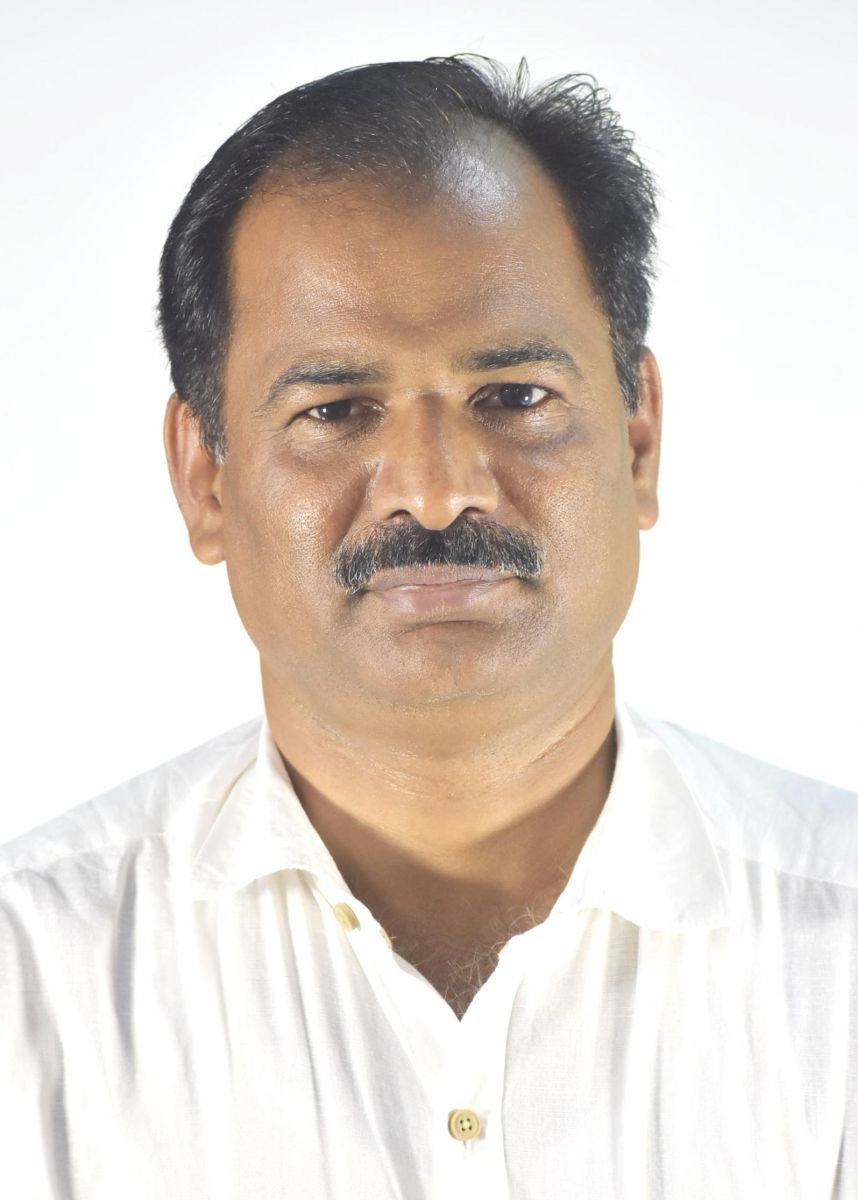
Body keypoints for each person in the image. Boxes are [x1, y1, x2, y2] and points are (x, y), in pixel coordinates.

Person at [1, 53, 855, 1200]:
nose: (437, 490)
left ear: (638, 439)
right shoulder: (30, 988)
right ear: (206, 479)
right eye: (336, 410)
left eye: (515, 397)